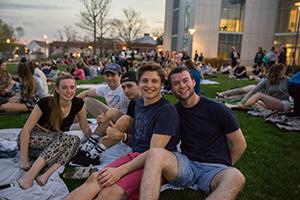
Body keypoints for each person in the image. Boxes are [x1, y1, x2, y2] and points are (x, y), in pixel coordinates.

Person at [65, 62, 179, 200]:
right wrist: (123, 137)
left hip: (154, 166)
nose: (149, 85)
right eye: (145, 81)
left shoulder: (166, 111)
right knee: (95, 178)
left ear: (161, 84)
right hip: (135, 156)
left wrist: (120, 171)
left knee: (108, 193)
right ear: (140, 83)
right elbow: (138, 140)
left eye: (154, 81)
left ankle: (95, 155)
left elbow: (152, 155)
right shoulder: (140, 103)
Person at [139, 66, 247, 200]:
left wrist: (224, 168)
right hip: (186, 164)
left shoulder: (217, 109)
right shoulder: (173, 112)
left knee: (236, 177)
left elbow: (240, 144)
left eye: (185, 81)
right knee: (155, 153)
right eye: (176, 83)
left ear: (193, 82)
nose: (182, 86)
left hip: (214, 168)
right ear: (171, 89)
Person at [17, 73, 92, 189]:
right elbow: (26, 131)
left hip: (54, 141)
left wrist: (96, 138)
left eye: (72, 87)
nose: (69, 91)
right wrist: (24, 160)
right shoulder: (45, 103)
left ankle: (44, 176)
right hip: (32, 139)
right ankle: (29, 176)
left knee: (75, 140)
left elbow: (85, 128)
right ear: (57, 89)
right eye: (64, 87)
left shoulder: (78, 104)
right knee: (65, 139)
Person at [70, 71, 141, 166]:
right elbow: (86, 93)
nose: (126, 90)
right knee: (106, 113)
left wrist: (123, 135)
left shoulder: (142, 100)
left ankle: (92, 153)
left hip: (133, 135)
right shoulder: (130, 100)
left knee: (122, 117)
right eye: (124, 87)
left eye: (129, 86)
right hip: (118, 124)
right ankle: (87, 148)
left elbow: (141, 132)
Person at [77, 63, 129, 136]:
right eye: (107, 76)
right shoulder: (105, 89)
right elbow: (86, 93)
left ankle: (94, 138)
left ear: (120, 76)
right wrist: (71, 103)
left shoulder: (125, 90)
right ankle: (69, 122)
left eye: (113, 75)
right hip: (108, 118)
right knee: (86, 100)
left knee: (112, 112)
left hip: (123, 121)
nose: (110, 78)